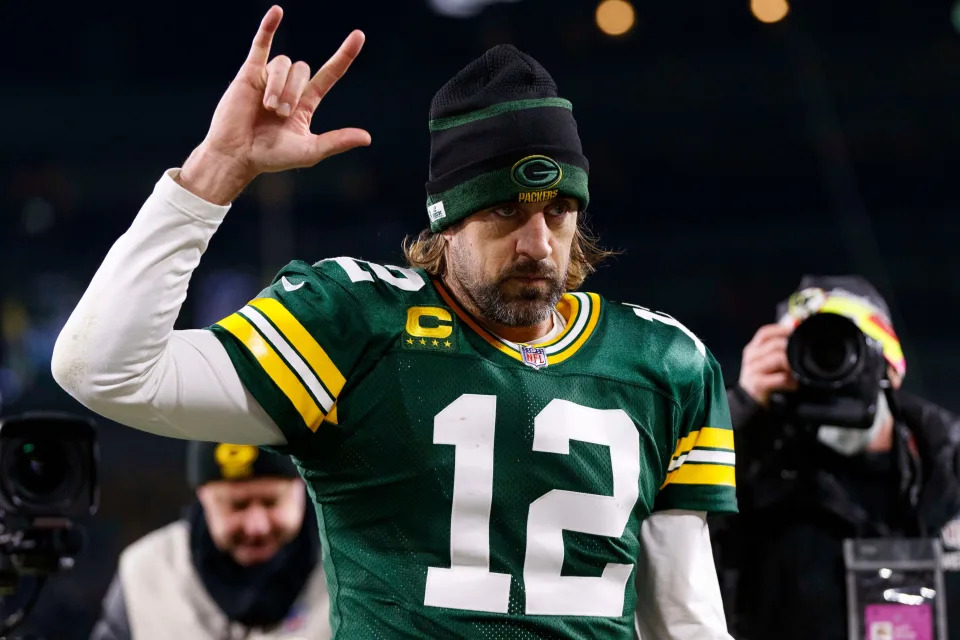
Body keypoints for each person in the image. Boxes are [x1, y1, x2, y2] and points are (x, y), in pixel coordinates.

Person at [51, 6, 738, 638]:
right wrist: (218, 169)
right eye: (504, 211)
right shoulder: (356, 326)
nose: (537, 243)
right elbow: (102, 370)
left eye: (557, 212)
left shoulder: (661, 361)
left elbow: (686, 620)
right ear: (445, 222)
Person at [716, 275, 960, 640]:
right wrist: (738, 410)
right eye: (812, 351)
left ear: (890, 367)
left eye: (845, 348)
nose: (829, 367)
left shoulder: (947, 469)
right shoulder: (749, 473)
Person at [90, 442, 330, 640]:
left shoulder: (348, 565)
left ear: (303, 488)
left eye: (271, 502)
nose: (257, 526)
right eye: (237, 506)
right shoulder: (146, 573)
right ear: (203, 496)